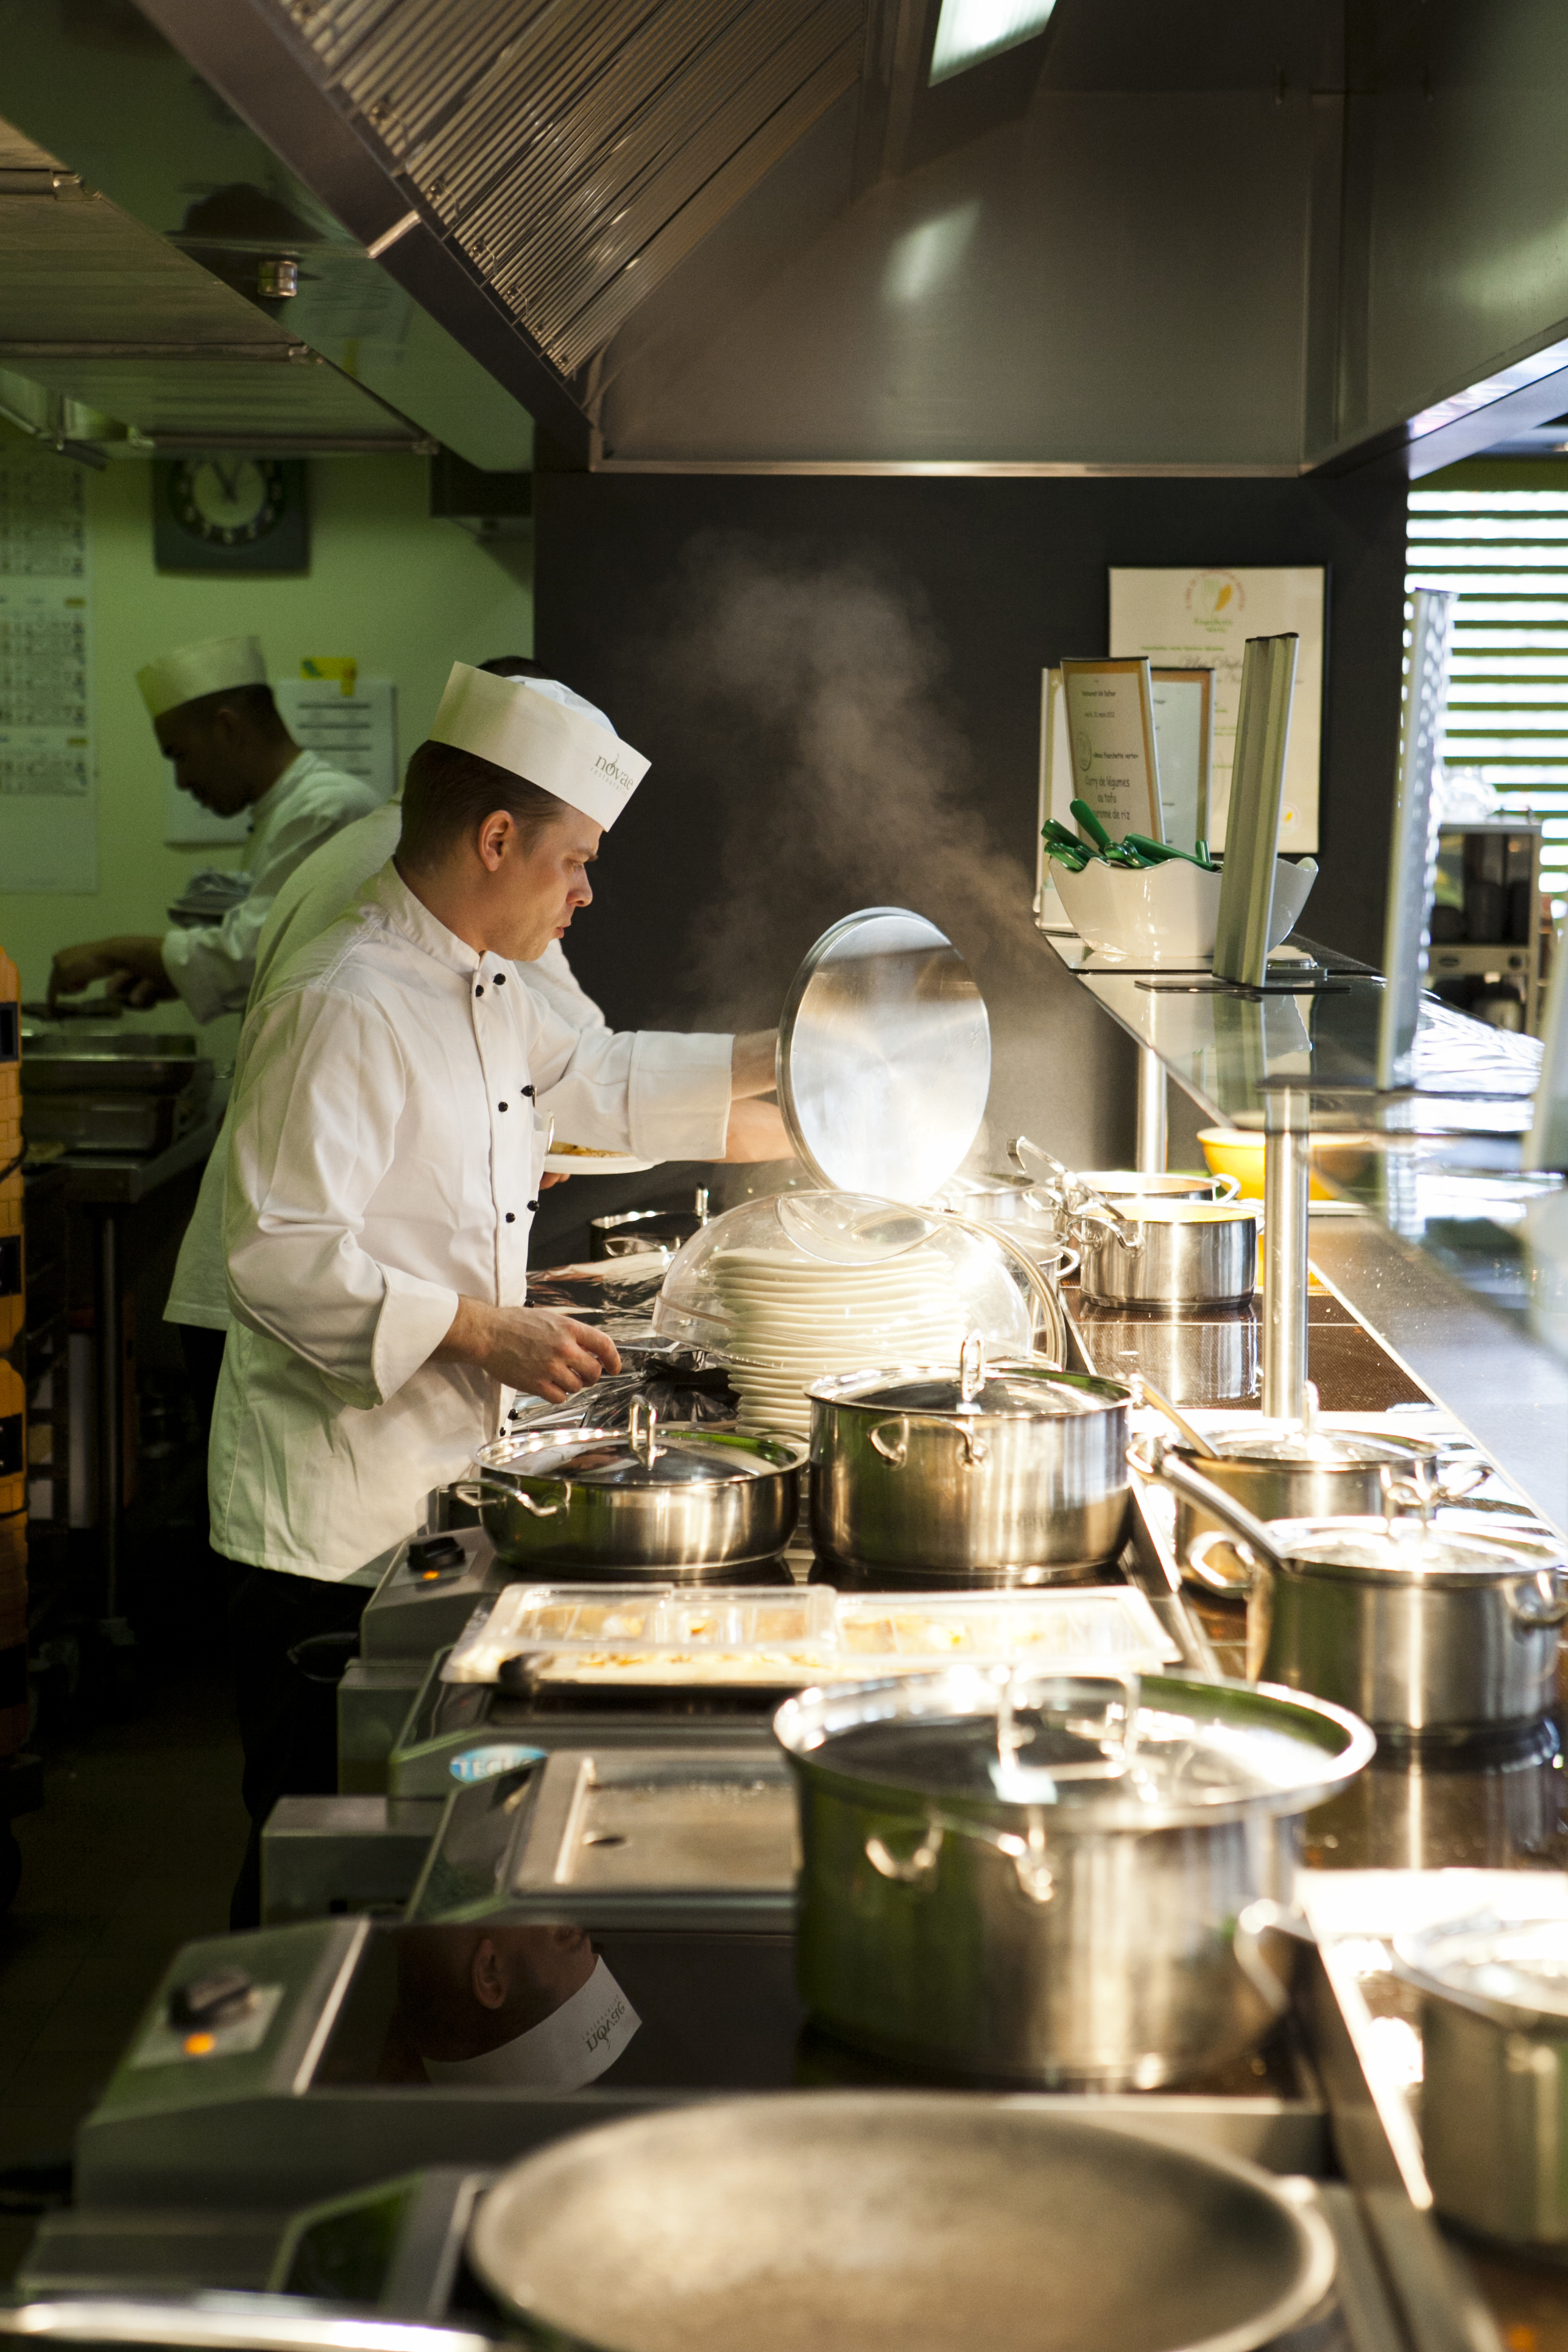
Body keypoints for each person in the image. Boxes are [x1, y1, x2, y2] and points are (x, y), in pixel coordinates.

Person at [214, 663, 782, 1922]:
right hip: (327, 1524)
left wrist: (794, 1057)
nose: (586, 892)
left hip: (421, 1485)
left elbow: (595, 1080)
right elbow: (277, 1252)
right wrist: (486, 1331)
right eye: (574, 861)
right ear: (494, 840)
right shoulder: (343, 1000)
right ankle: (281, 2036)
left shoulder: (477, 980)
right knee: (320, 1856)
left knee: (403, 1844)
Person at [48, 634, 383, 1024]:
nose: (181, 781)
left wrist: (112, 952)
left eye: (180, 755)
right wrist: (170, 976)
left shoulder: (330, 808)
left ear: (228, 729)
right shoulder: (285, 811)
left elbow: (255, 954)